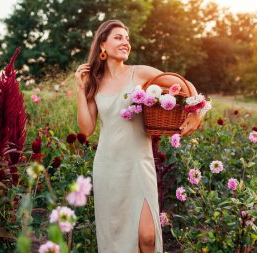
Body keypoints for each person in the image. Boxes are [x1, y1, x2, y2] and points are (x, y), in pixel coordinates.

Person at [75, 20, 201, 253]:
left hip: (138, 164)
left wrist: (196, 111)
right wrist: (81, 90)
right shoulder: (95, 83)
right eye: (118, 37)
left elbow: (183, 84)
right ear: (102, 45)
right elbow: (86, 129)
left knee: (147, 236)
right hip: (108, 166)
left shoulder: (140, 73)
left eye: (127, 38)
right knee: (115, 237)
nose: (126, 42)